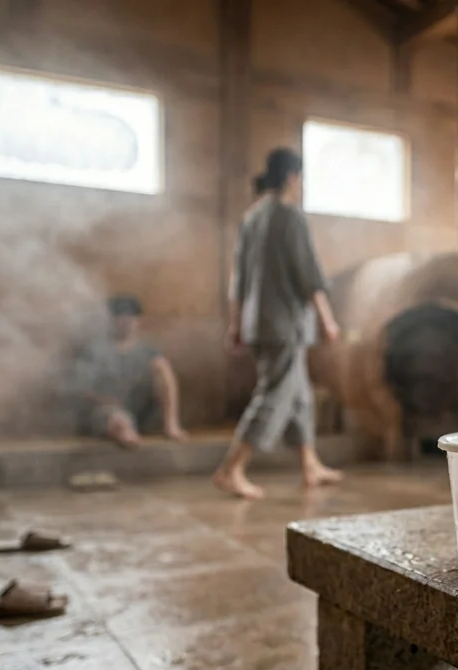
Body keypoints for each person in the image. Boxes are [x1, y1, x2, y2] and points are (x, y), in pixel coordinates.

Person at [213, 147, 343, 499]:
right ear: (291, 177)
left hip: (258, 321)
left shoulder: (252, 217)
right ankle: (231, 469)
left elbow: (238, 279)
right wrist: (327, 319)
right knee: (273, 396)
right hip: (284, 324)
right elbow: (309, 275)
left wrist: (236, 323)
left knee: (299, 395)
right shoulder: (290, 217)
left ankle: (309, 465)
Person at [75, 295, 188, 447]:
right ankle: (124, 432)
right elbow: (82, 389)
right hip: (106, 411)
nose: (125, 322)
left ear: (137, 321)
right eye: (120, 317)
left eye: (130, 317)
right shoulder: (96, 350)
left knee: (161, 366)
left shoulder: (147, 350)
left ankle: (171, 425)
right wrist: (103, 400)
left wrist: (169, 420)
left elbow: (163, 379)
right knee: (114, 417)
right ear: (111, 320)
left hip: (141, 411)